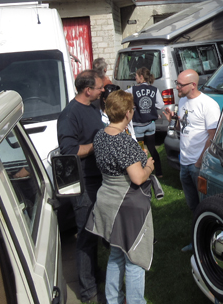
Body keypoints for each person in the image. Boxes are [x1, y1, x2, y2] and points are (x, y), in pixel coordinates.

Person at [86, 90, 162, 304]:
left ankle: (113, 300)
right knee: (135, 258)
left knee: (117, 254)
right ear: (128, 113)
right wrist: (148, 165)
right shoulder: (124, 141)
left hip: (107, 200)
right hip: (127, 204)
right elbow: (137, 178)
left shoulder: (100, 136)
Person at [57, 70, 106, 303]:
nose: (102, 90)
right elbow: (69, 152)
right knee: (86, 236)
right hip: (83, 183)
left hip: (98, 178)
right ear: (88, 90)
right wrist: (98, 143)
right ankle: (88, 292)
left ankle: (95, 275)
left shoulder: (93, 107)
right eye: (99, 88)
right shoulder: (69, 115)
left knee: (95, 232)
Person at [162, 69, 220, 250]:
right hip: (184, 163)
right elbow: (184, 127)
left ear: (193, 85)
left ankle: (211, 245)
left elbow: (213, 136)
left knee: (206, 208)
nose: (176, 87)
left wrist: (199, 162)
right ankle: (196, 242)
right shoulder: (183, 101)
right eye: (176, 83)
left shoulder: (208, 105)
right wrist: (173, 120)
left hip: (198, 165)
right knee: (193, 206)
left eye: (180, 84)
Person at [131, 67, 164, 177]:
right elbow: (160, 105)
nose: (135, 77)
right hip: (151, 124)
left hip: (138, 125)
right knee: (151, 147)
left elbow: (125, 100)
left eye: (136, 75)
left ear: (141, 77)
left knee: (140, 149)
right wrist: (150, 106)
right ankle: (159, 172)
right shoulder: (154, 89)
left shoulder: (132, 89)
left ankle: (143, 171)